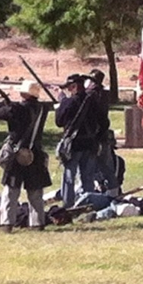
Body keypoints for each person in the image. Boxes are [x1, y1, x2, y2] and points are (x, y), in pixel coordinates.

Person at [0, 79, 52, 233]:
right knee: (35, 191)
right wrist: (6, 100)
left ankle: (7, 224)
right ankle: (37, 223)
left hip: (17, 155)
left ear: (24, 93)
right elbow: (14, 110)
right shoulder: (43, 108)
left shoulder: (17, 109)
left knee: (11, 191)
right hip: (35, 153)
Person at [55, 74, 106, 208]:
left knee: (69, 178)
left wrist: (62, 102)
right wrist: (98, 139)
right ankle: (88, 204)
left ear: (74, 87)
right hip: (90, 144)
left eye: (69, 88)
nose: (68, 91)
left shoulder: (69, 102)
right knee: (87, 178)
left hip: (74, 145)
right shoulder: (93, 101)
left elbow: (59, 121)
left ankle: (68, 205)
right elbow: (104, 122)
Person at [85, 69, 119, 196]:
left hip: (93, 134)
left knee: (89, 167)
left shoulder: (91, 95)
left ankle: (90, 192)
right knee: (105, 165)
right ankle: (113, 189)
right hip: (103, 133)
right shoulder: (103, 94)